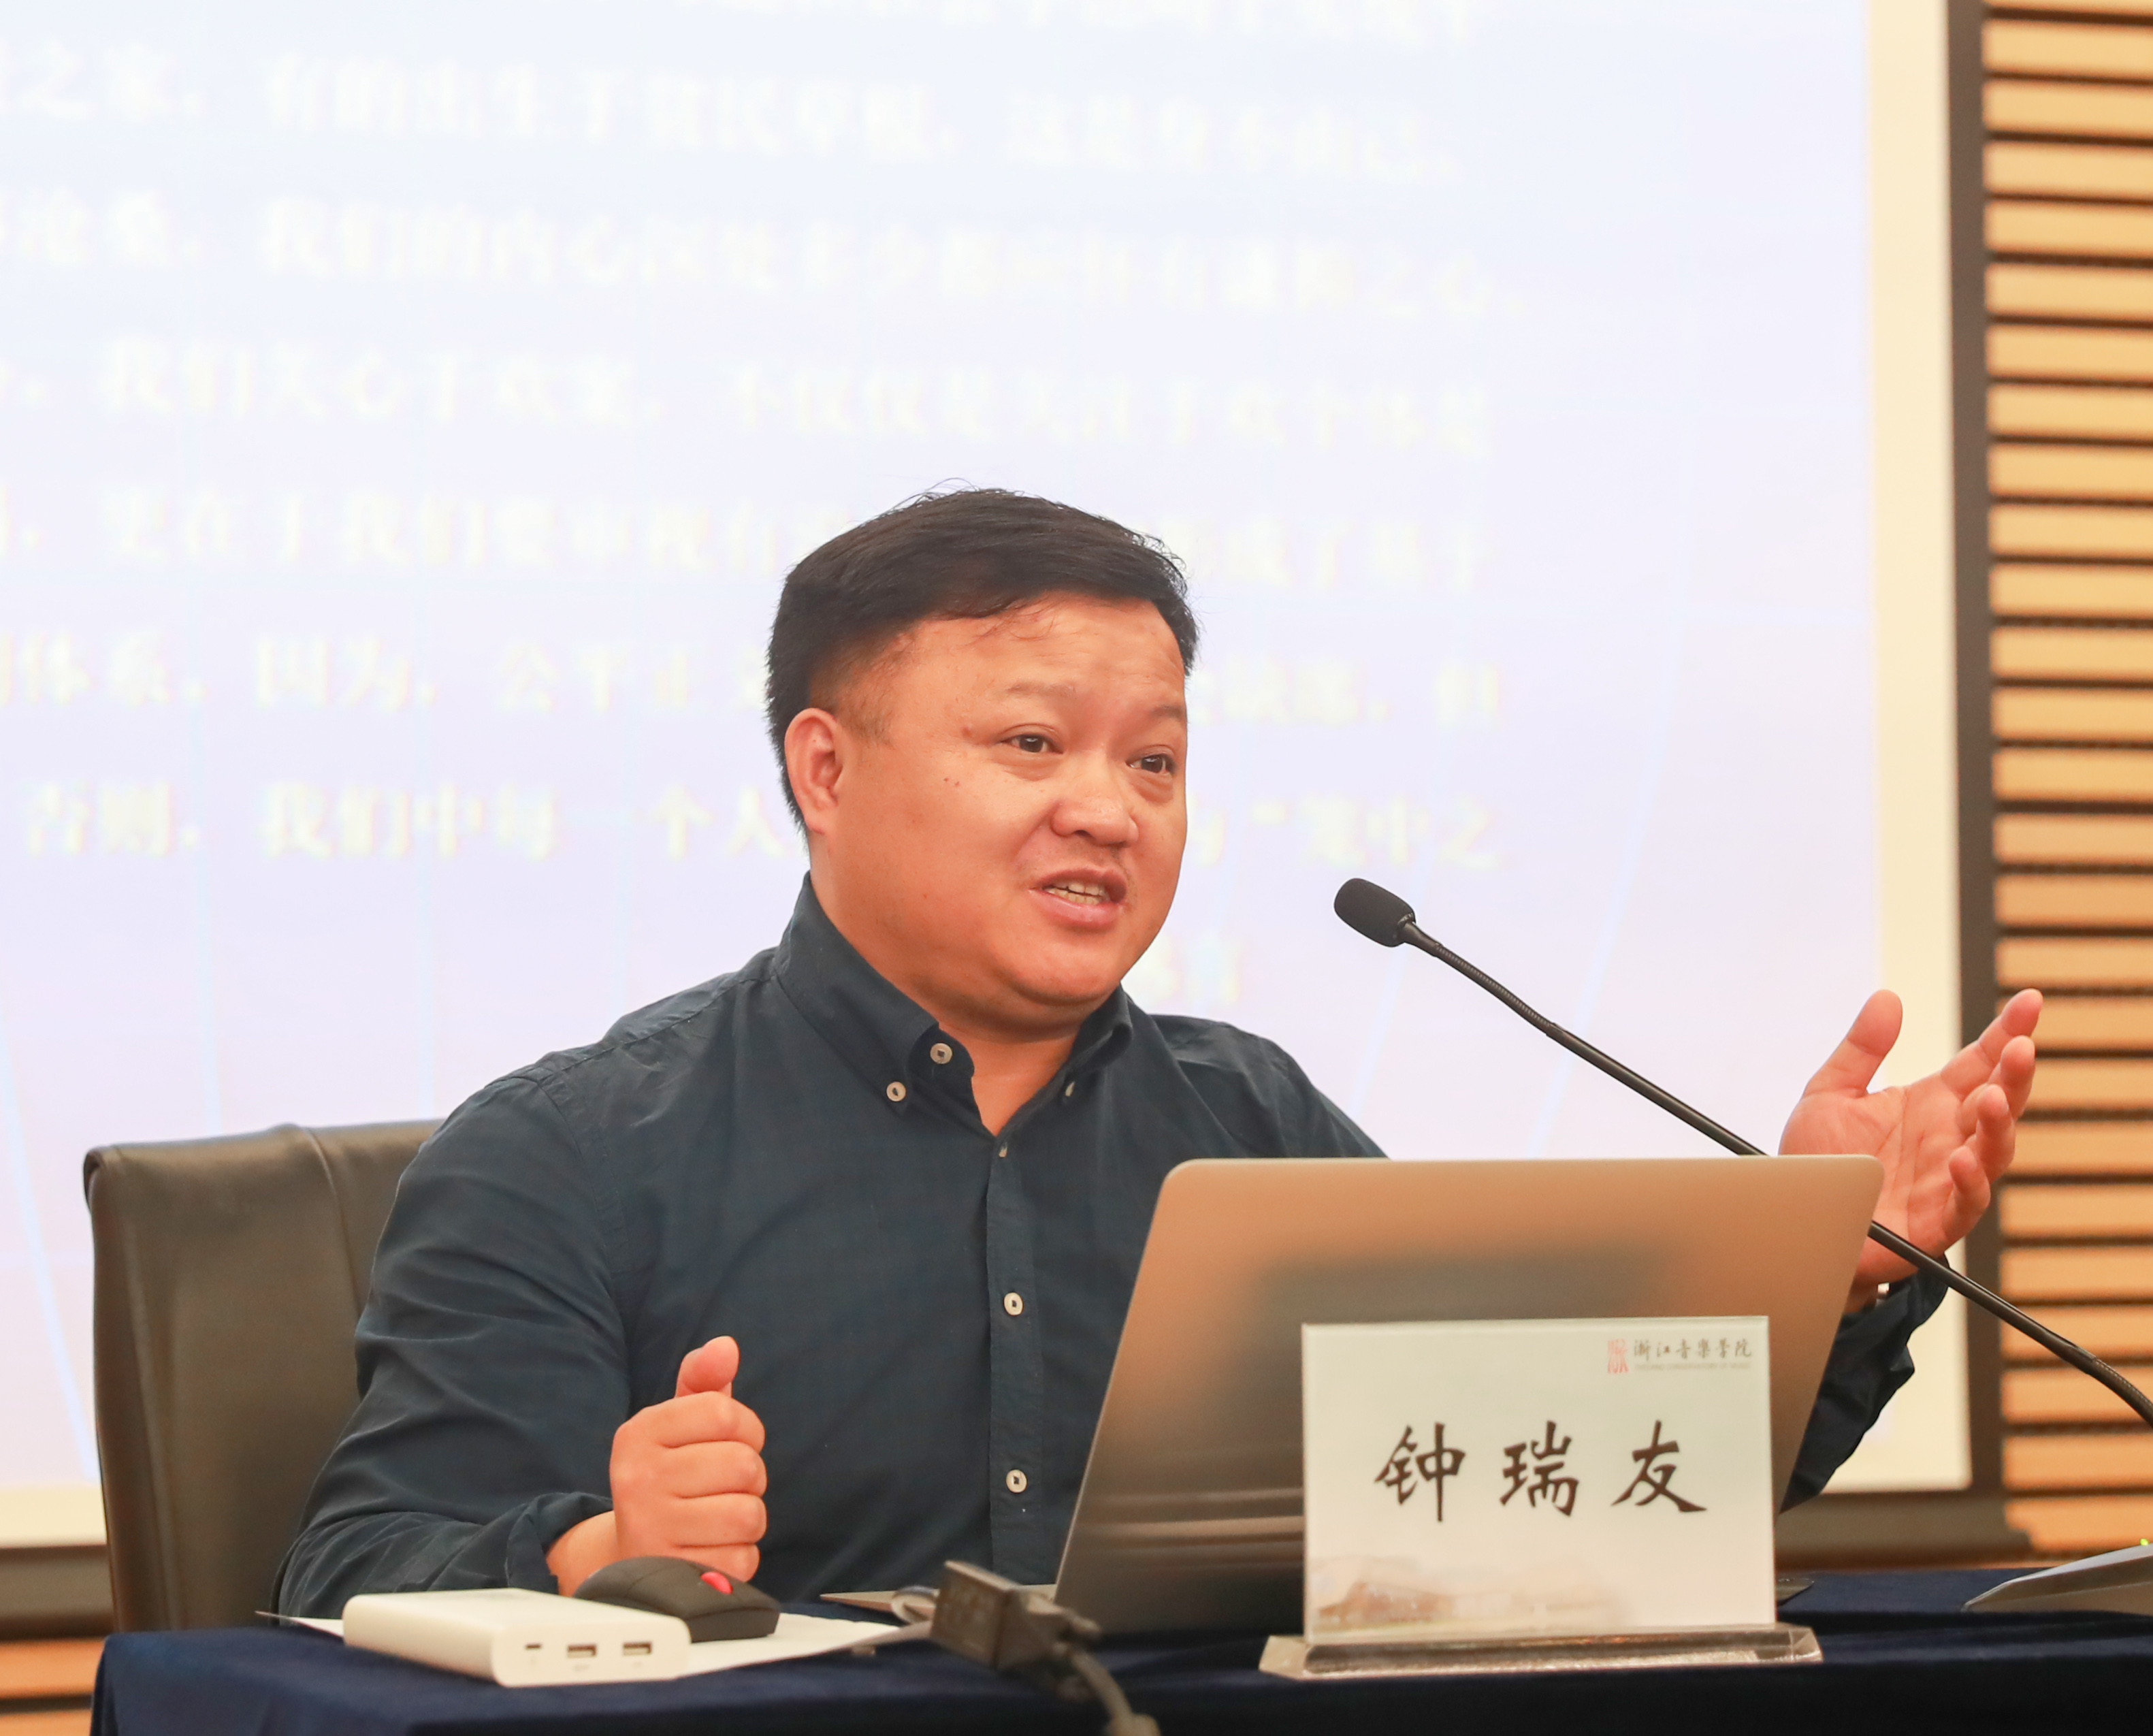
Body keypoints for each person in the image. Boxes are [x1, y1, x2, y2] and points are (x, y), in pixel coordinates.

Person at [275, 489, 2041, 1613]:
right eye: (1030, 744)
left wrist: (1830, 1273)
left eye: (1154, 761)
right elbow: (348, 1573)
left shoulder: (1250, 1120)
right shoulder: (573, 1154)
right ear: (824, 770)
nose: (1106, 812)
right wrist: (591, 1548)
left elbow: (1556, 1511)